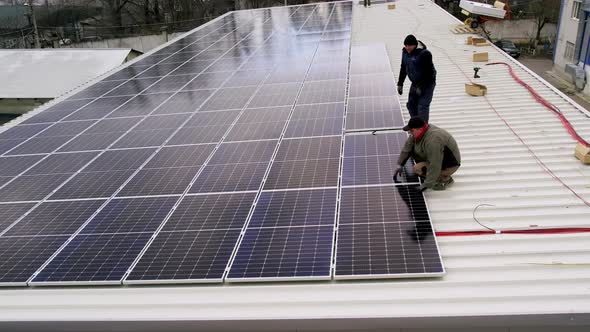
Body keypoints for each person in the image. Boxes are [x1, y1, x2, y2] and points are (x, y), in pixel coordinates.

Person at [394, 117, 460, 191]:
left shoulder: (433, 141)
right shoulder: (418, 132)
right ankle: (436, 175)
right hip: (438, 158)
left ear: (420, 129)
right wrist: (400, 164)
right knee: (414, 151)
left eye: (411, 131)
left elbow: (435, 164)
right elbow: (406, 149)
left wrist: (427, 184)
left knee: (418, 169)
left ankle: (444, 179)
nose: (410, 133)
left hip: (449, 165)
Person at [397, 34, 437, 123]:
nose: (407, 48)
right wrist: (400, 83)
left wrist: (421, 87)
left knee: (422, 107)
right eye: (406, 45)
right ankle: (416, 125)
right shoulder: (405, 53)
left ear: (415, 45)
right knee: (411, 105)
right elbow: (403, 68)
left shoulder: (424, 54)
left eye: (410, 46)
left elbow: (429, 74)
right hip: (415, 83)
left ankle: (423, 129)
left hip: (427, 84)